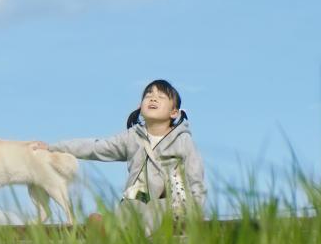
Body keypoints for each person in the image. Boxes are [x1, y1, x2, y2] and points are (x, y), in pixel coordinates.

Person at [33, 79, 206, 234]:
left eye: (161, 96)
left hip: (171, 204)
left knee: (155, 208)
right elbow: (96, 146)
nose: (153, 98)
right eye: (148, 95)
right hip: (137, 202)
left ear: (174, 112)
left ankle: (125, 238)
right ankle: (109, 231)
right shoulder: (133, 137)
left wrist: (196, 212)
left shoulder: (183, 140)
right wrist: (53, 147)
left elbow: (195, 178)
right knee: (130, 204)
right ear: (140, 107)